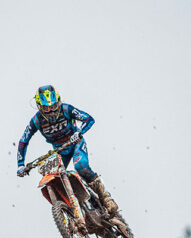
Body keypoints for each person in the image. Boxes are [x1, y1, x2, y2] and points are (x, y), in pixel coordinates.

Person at [16, 85, 118, 214]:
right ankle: (73, 211)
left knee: (81, 166)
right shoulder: (36, 120)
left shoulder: (66, 109)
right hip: (59, 151)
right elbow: (23, 141)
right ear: (39, 107)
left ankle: (106, 198)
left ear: (58, 101)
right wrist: (20, 165)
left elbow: (88, 119)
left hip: (75, 143)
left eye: (53, 106)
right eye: (46, 108)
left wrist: (80, 132)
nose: (51, 111)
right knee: (54, 179)